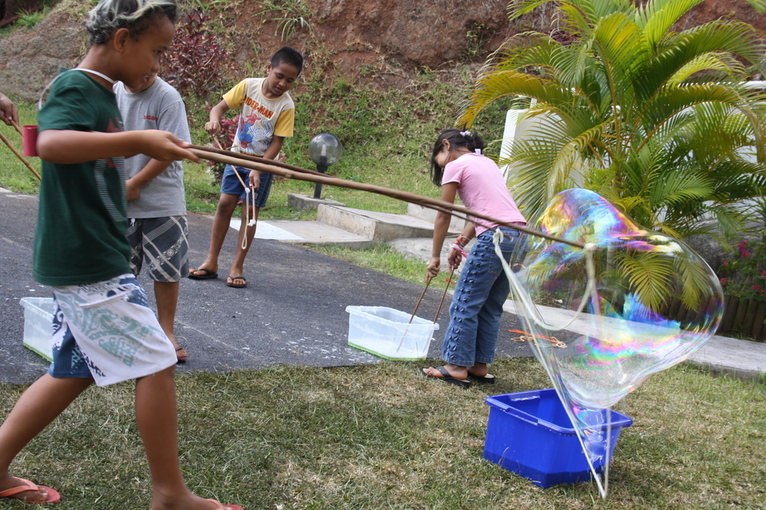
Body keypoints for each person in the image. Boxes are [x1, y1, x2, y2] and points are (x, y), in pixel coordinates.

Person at [0, 1, 241, 509]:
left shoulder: (104, 95)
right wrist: (140, 139)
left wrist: (150, 144)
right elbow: (49, 142)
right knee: (156, 361)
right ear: (122, 39)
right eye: (155, 51)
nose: (157, 65)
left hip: (92, 252)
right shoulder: (75, 86)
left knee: (73, 368)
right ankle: (171, 495)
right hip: (86, 260)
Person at [188, 46, 303, 289]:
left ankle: (237, 266)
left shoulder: (286, 105)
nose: (282, 83)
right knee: (224, 205)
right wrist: (214, 120)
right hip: (237, 158)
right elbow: (219, 108)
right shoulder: (248, 86)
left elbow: (277, 142)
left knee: (249, 214)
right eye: (279, 75)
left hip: (261, 164)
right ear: (268, 69)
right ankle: (211, 261)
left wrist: (259, 169)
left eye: (290, 80)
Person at [421, 129, 526, 388]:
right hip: (519, 235)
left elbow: (444, 214)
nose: (442, 166)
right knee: (490, 304)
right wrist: (460, 243)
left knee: (465, 301)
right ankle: (479, 365)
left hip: (495, 236)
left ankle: (456, 366)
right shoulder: (487, 163)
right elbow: (484, 210)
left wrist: (434, 256)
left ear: (446, 145)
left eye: (439, 159)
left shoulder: (456, 165)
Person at [114, 73, 191, 363]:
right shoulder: (113, 92)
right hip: (119, 199)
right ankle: (122, 329)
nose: (149, 70)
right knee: (119, 270)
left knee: (166, 271)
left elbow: (173, 151)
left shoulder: (167, 96)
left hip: (163, 202)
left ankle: (166, 331)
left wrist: (136, 183)